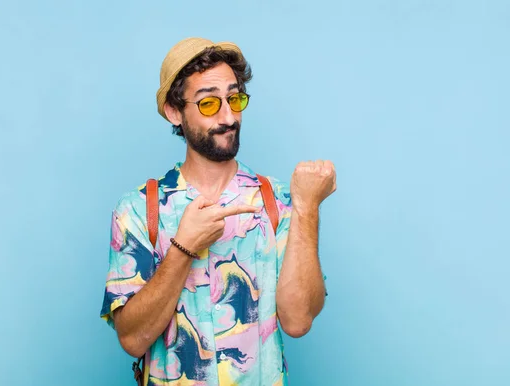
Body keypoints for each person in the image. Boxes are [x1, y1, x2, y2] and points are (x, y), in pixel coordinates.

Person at [100, 37, 336, 385]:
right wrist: (183, 247)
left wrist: (308, 208)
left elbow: (298, 321)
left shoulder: (279, 203)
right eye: (209, 103)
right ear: (174, 111)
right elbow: (133, 340)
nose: (228, 116)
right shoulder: (139, 210)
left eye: (235, 98)